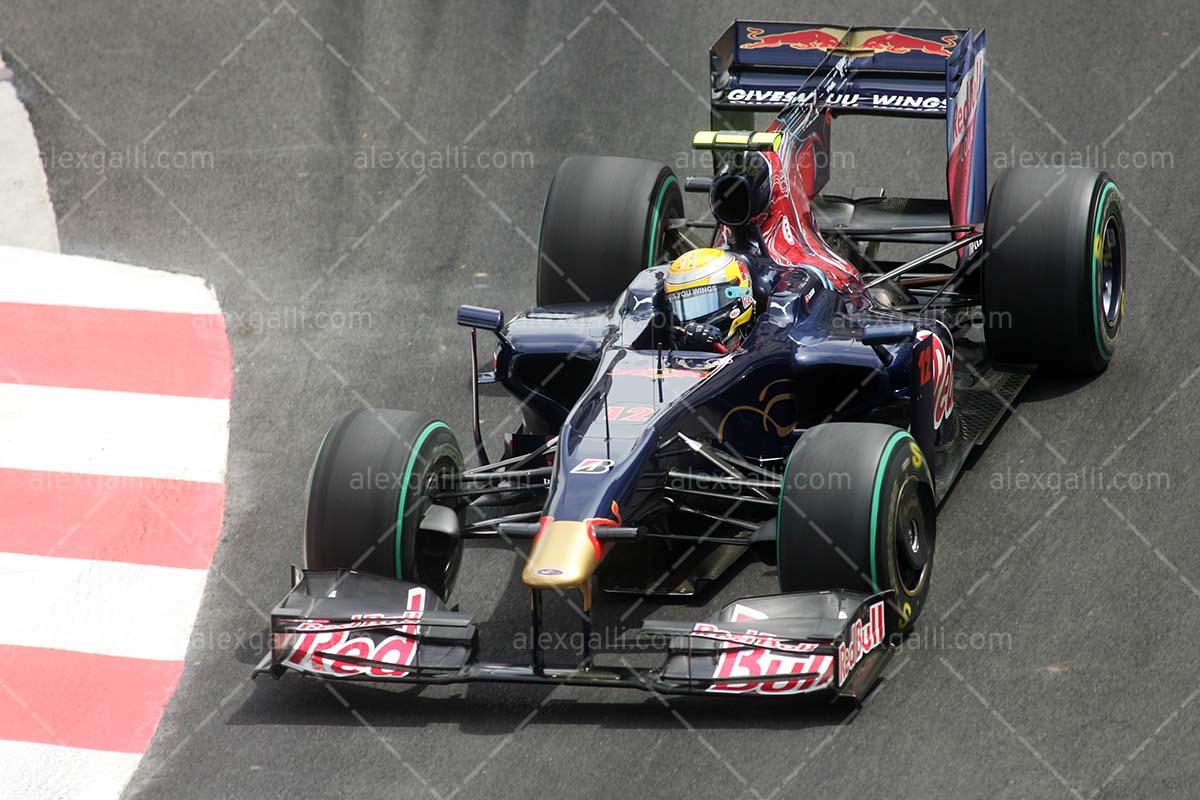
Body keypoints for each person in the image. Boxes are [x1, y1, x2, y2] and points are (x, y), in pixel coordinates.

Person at [663, 247, 757, 353]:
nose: (692, 325)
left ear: (740, 293)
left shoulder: (763, 338)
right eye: (688, 307)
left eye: (703, 304)